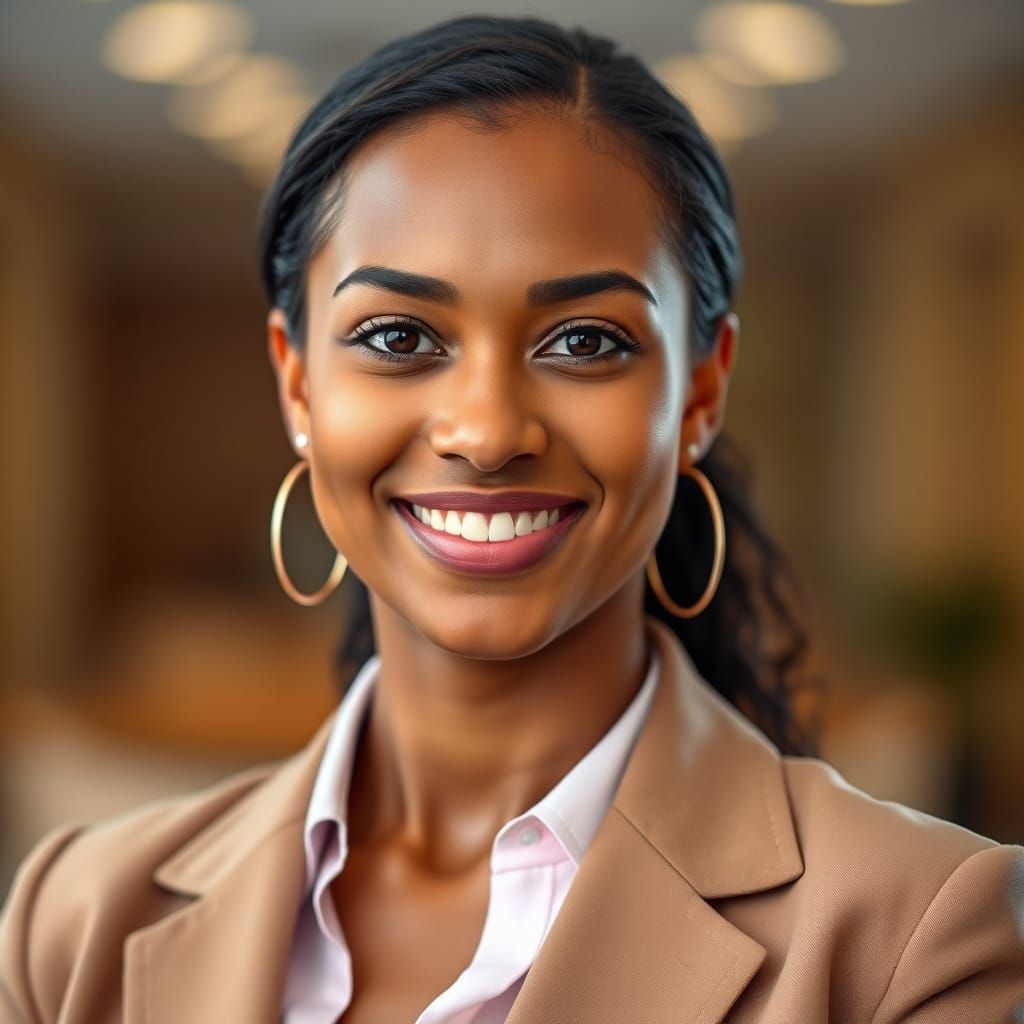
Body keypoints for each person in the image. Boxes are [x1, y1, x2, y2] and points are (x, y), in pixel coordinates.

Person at [2, 13, 1022, 1024]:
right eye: (398, 334)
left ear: (702, 392)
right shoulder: (71, 925)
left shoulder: (923, 938)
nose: (487, 432)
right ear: (299, 384)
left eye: (584, 341)